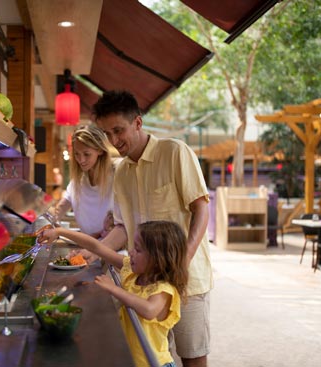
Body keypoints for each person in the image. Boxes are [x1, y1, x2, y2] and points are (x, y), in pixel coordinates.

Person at [91, 90, 213, 367]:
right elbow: (123, 227)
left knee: (193, 356)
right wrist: (94, 252)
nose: (113, 141)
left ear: (137, 122)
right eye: (106, 134)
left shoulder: (175, 152)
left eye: (118, 130)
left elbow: (201, 208)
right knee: (153, 357)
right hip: (145, 284)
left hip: (187, 282)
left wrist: (183, 261)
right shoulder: (120, 171)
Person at [41, 220, 188, 367]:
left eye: (137, 249)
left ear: (157, 259)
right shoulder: (133, 273)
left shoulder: (164, 290)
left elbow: (149, 310)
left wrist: (114, 289)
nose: (131, 252)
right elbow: (96, 247)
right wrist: (60, 232)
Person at [52, 124, 117, 238]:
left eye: (87, 154)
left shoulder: (116, 177)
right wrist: (51, 219)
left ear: (100, 151)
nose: (81, 160)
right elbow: (61, 208)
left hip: (112, 248)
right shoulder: (78, 181)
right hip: (88, 246)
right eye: (77, 154)